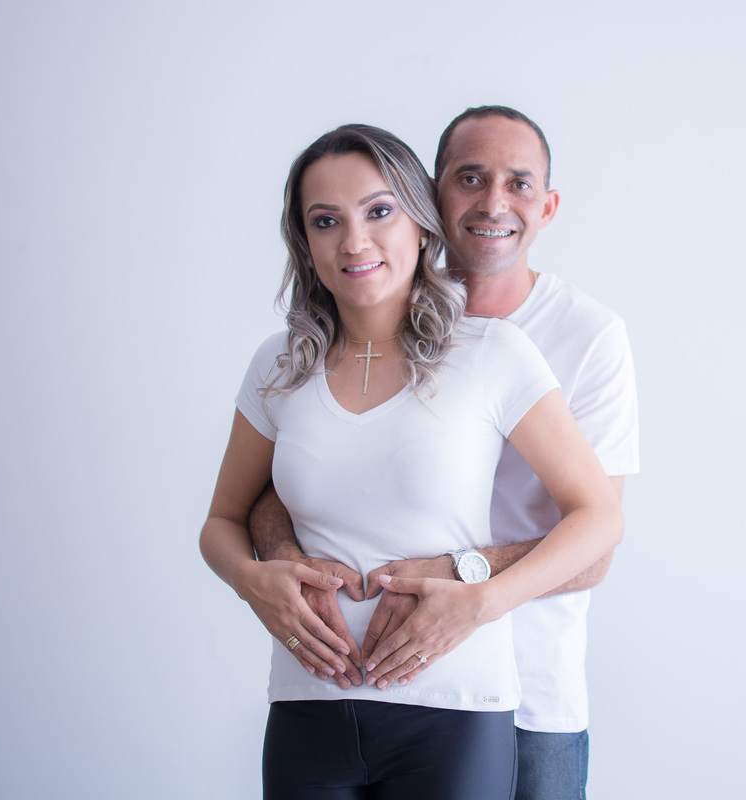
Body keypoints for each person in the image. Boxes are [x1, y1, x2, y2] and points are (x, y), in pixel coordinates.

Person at [199, 123, 623, 799]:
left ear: (421, 226)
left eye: (379, 211)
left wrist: (480, 602)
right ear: (304, 242)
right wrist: (254, 582)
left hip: (454, 708)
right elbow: (224, 518)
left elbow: (599, 517)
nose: (354, 241)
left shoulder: (492, 354)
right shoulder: (278, 364)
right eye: (326, 221)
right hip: (308, 703)